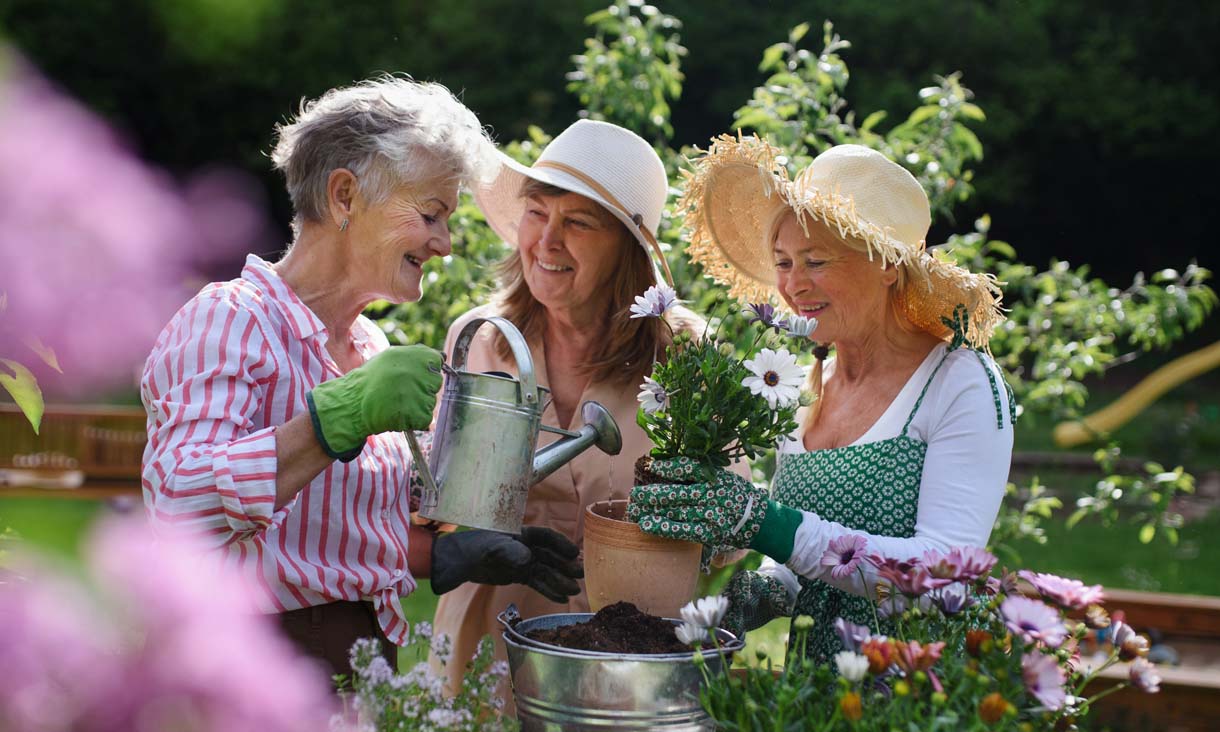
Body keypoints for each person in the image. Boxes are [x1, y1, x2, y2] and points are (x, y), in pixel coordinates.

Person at [140, 77, 583, 679]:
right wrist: (331, 421)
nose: (446, 244)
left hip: (361, 661)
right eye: (431, 214)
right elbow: (177, 506)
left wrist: (450, 553)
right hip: (254, 666)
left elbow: (325, 537)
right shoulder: (231, 320)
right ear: (345, 196)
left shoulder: (371, 347)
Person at [629, 136, 1016, 660]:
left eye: (816, 261)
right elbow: (807, 559)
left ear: (886, 263)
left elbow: (941, 577)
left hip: (914, 697)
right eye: (784, 262)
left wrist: (765, 524)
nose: (793, 286)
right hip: (810, 696)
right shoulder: (808, 384)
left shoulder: (958, 381)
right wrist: (766, 587)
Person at [429, 119, 717, 703]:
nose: (547, 241)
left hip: (629, 657)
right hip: (489, 644)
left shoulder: (683, 357)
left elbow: (727, 534)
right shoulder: (480, 341)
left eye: (578, 223)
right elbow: (435, 501)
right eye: (537, 213)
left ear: (628, 254)